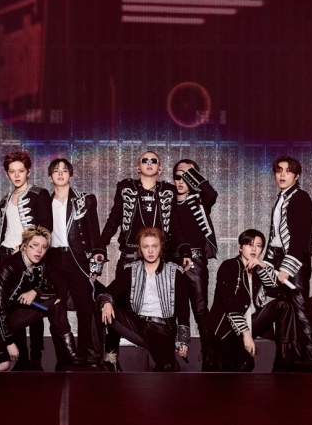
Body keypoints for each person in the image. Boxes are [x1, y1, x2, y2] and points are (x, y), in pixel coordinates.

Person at [92, 150, 192, 371]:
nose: (149, 163)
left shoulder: (168, 191)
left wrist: (184, 249)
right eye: (144, 161)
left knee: (164, 301)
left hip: (158, 258)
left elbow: (175, 225)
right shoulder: (126, 188)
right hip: (129, 257)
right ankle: (111, 356)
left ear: (160, 167)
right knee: (113, 304)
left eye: (153, 161)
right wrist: (100, 246)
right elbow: (114, 219)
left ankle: (166, 345)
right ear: (138, 167)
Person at [0, 226, 82, 372]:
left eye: (44, 247)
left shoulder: (42, 265)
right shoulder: (7, 268)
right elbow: (0, 308)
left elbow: (53, 289)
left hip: (11, 315)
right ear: (24, 245)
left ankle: (70, 353)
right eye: (35, 245)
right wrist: (9, 342)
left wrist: (35, 292)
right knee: (3, 366)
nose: (39, 251)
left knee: (56, 303)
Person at [206, 229, 312, 372]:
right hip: (225, 329)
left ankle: (284, 358)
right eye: (249, 244)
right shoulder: (229, 267)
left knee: (283, 304)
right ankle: (218, 356)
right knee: (245, 365)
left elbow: (276, 290)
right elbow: (231, 305)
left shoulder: (258, 270)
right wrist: (246, 335)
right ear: (240, 247)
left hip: (249, 323)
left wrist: (263, 267)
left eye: (259, 245)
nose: (254, 249)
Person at [258, 155, 312, 371]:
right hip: (278, 259)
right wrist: (267, 263)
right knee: (285, 313)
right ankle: (286, 359)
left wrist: (286, 267)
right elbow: (275, 237)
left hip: (295, 262)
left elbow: (300, 237)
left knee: (301, 311)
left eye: (288, 171)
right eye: (279, 171)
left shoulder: (300, 197)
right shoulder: (281, 198)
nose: (282, 175)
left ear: (297, 175)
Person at [93, 227, 190, 372]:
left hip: (161, 328)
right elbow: (110, 291)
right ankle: (103, 357)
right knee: (101, 303)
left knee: (168, 369)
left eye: (154, 246)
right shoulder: (131, 270)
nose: (150, 251)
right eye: (145, 246)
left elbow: (183, 309)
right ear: (140, 248)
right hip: (136, 325)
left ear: (161, 247)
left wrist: (183, 339)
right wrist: (106, 302)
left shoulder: (175, 272)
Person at [0, 151, 52, 370]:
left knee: (33, 308)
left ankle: (36, 358)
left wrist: (27, 248)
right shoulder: (4, 201)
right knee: (12, 307)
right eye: (12, 172)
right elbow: (5, 231)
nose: (17, 175)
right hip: (8, 258)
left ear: (28, 172)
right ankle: (20, 358)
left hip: (30, 257)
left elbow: (46, 227)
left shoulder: (40, 194)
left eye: (21, 171)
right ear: (7, 174)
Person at [46, 158, 102, 367]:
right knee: (56, 310)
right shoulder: (44, 202)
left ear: (71, 174)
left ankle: (84, 354)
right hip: (53, 260)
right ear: (50, 177)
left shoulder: (84, 200)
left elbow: (94, 234)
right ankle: (64, 356)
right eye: (56, 170)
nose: (60, 173)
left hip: (78, 259)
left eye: (64, 170)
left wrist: (95, 267)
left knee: (85, 308)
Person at [172, 159, 218, 371]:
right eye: (177, 176)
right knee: (172, 309)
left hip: (196, 260)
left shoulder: (200, 200)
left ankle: (210, 356)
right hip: (172, 261)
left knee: (200, 310)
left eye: (187, 177)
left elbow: (211, 193)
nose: (181, 181)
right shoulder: (168, 201)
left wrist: (190, 172)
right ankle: (171, 356)